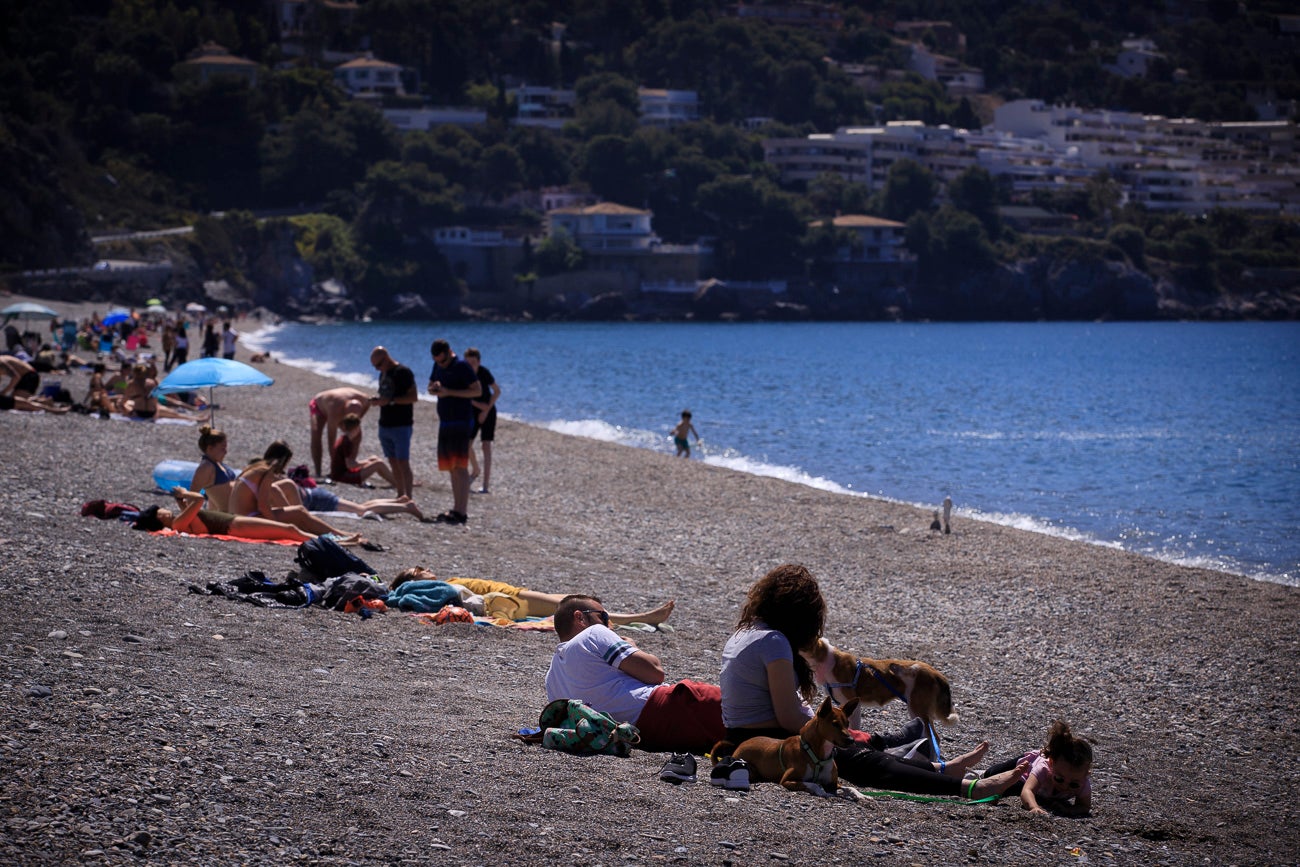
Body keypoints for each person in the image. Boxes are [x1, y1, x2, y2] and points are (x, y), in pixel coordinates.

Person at [718, 564, 1028, 798]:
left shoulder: (744, 633)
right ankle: (969, 787)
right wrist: (822, 724)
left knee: (861, 752)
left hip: (743, 734)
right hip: (768, 740)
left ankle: (944, 770)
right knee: (863, 762)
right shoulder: (773, 642)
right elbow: (788, 717)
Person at [545, 594, 723, 754]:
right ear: (580, 617)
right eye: (603, 617)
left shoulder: (552, 678)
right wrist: (634, 647)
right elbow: (654, 673)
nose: (609, 625)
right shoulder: (593, 634)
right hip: (663, 708)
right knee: (741, 707)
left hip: (641, 737)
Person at [392, 569, 674, 625]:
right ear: (413, 581)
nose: (426, 570)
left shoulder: (447, 581)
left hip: (511, 592)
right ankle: (640, 617)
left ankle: (624, 614)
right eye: (418, 571)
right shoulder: (439, 585)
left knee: (575, 599)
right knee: (576, 606)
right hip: (511, 597)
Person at [227, 440, 363, 542]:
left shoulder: (255, 467)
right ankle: (339, 536)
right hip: (249, 519)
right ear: (283, 460)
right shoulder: (267, 471)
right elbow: (263, 506)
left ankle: (338, 535)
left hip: (240, 517)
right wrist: (277, 526)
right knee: (299, 511)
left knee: (297, 513)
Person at [983, 720, 1094, 816]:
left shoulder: (1083, 783)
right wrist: (1033, 807)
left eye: (1074, 784)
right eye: (1059, 779)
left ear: (1086, 774)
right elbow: (1027, 790)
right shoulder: (1043, 769)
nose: (1065, 786)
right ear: (1051, 763)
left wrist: (1070, 810)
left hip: (1042, 790)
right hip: (1026, 769)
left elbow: (1084, 807)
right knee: (992, 775)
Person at [133, 487, 318, 543]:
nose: (165, 510)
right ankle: (325, 542)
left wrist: (180, 502)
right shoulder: (177, 525)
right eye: (161, 510)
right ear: (159, 517)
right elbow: (198, 500)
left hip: (233, 523)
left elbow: (193, 514)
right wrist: (184, 493)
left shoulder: (179, 522)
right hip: (233, 525)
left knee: (289, 531)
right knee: (289, 530)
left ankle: (325, 540)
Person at [426, 338, 481, 524]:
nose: (440, 363)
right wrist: (434, 389)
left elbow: (476, 391)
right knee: (451, 466)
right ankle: (456, 508)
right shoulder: (438, 364)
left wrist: (450, 392)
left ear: (449, 352)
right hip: (446, 420)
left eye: (442, 360)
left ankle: (462, 511)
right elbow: (431, 383)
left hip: (461, 420)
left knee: (461, 465)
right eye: (437, 361)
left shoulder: (462, 366)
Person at [369, 347, 417, 500]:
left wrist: (391, 401)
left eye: (378, 365)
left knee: (403, 462)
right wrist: (377, 401)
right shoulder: (383, 374)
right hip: (385, 424)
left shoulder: (403, 372)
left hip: (401, 424)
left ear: (386, 358)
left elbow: (413, 397)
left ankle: (408, 496)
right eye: (375, 367)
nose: (377, 369)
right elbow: (385, 394)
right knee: (393, 461)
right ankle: (400, 493)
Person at [308, 386, 371, 478]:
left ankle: (350, 465)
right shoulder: (335, 410)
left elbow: (357, 422)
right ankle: (318, 471)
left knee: (357, 435)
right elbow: (331, 440)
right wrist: (335, 467)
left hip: (342, 409)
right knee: (316, 434)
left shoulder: (365, 400)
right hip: (320, 405)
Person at [464, 347, 500, 494]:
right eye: (468, 363)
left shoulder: (484, 373)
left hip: (489, 410)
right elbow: (465, 396)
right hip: (473, 410)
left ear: (478, 362)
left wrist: (485, 410)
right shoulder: (464, 374)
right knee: (467, 444)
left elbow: (497, 391)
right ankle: (475, 470)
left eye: (473, 362)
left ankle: (485, 485)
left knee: (486, 446)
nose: (470, 366)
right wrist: (478, 406)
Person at [121, 363, 207, 422]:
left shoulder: (130, 382)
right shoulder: (152, 382)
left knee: (124, 403)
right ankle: (196, 418)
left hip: (138, 412)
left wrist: (127, 412)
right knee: (174, 414)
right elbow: (155, 401)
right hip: (151, 413)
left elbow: (123, 401)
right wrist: (156, 412)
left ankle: (195, 416)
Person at [330, 413, 397, 488]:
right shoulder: (346, 442)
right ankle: (398, 484)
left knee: (374, 459)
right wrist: (367, 462)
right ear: (357, 427)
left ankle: (394, 481)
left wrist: (368, 461)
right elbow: (350, 465)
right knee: (378, 463)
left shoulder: (343, 439)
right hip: (343, 477)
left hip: (340, 474)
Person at [188, 425, 239, 511]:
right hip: (226, 516)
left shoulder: (218, 463)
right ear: (210, 448)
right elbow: (192, 495)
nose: (226, 452)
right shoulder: (206, 467)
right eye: (222, 448)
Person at [0, 354, 69, 413]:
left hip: (29, 376)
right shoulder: (2, 360)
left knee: (22, 401)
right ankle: (45, 401)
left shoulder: (1, 363)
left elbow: (16, 377)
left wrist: (4, 391)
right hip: (27, 375)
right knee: (22, 401)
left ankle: (45, 401)